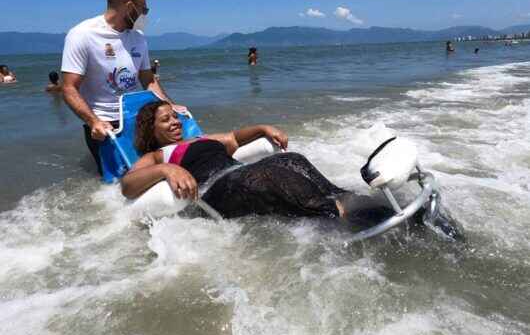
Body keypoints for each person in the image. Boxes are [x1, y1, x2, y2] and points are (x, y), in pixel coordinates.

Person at [121, 101, 463, 239]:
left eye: (176, 116)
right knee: (272, 175)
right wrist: (166, 170)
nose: (175, 123)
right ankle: (359, 219)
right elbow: (128, 184)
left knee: (292, 159)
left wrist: (263, 128)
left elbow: (234, 138)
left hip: (240, 176)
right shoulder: (156, 156)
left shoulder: (203, 138)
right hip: (217, 191)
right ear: (151, 130)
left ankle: (358, 205)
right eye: (165, 120)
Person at [61, 0, 186, 175]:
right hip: (104, 124)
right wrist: (93, 121)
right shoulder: (82, 34)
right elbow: (68, 87)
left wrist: (170, 106)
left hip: (136, 118)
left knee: (155, 170)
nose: (145, 15)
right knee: (117, 182)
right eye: (144, 9)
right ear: (129, 7)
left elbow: (149, 80)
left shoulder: (138, 38)